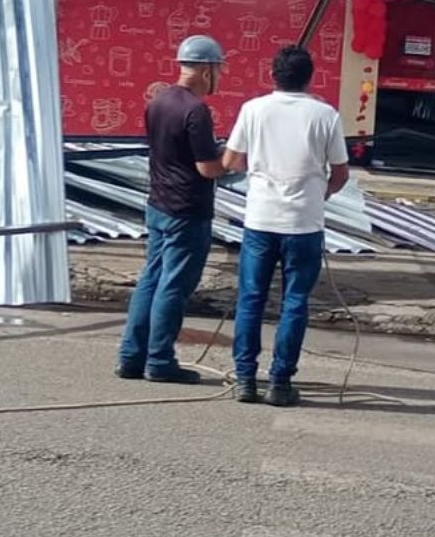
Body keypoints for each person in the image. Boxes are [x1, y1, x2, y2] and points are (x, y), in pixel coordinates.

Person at [222, 45, 349, 407]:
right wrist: (315, 195)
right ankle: (280, 382)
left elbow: (231, 161)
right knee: (294, 302)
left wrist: (262, 171)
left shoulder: (253, 110)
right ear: (310, 77)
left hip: (261, 219)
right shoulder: (325, 115)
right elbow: (340, 173)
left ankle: (245, 378)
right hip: (305, 224)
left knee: (251, 299)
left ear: (273, 75)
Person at [117, 35, 228, 385]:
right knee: (174, 286)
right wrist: (235, 159)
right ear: (207, 69)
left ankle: (130, 356)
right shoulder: (196, 111)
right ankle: (160, 360)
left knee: (150, 279)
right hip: (187, 210)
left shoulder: (159, 101)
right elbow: (207, 168)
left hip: (158, 204)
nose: (220, 77)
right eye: (219, 69)